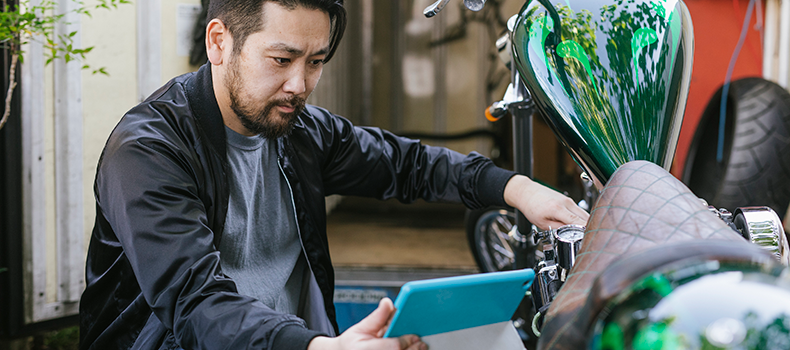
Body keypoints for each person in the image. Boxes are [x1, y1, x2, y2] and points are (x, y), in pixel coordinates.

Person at [78, 0, 589, 349]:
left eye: (316, 61)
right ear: (219, 42)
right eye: (281, 59)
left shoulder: (297, 128)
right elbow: (195, 304)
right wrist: (319, 345)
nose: (299, 85)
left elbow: (406, 165)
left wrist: (516, 188)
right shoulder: (147, 152)